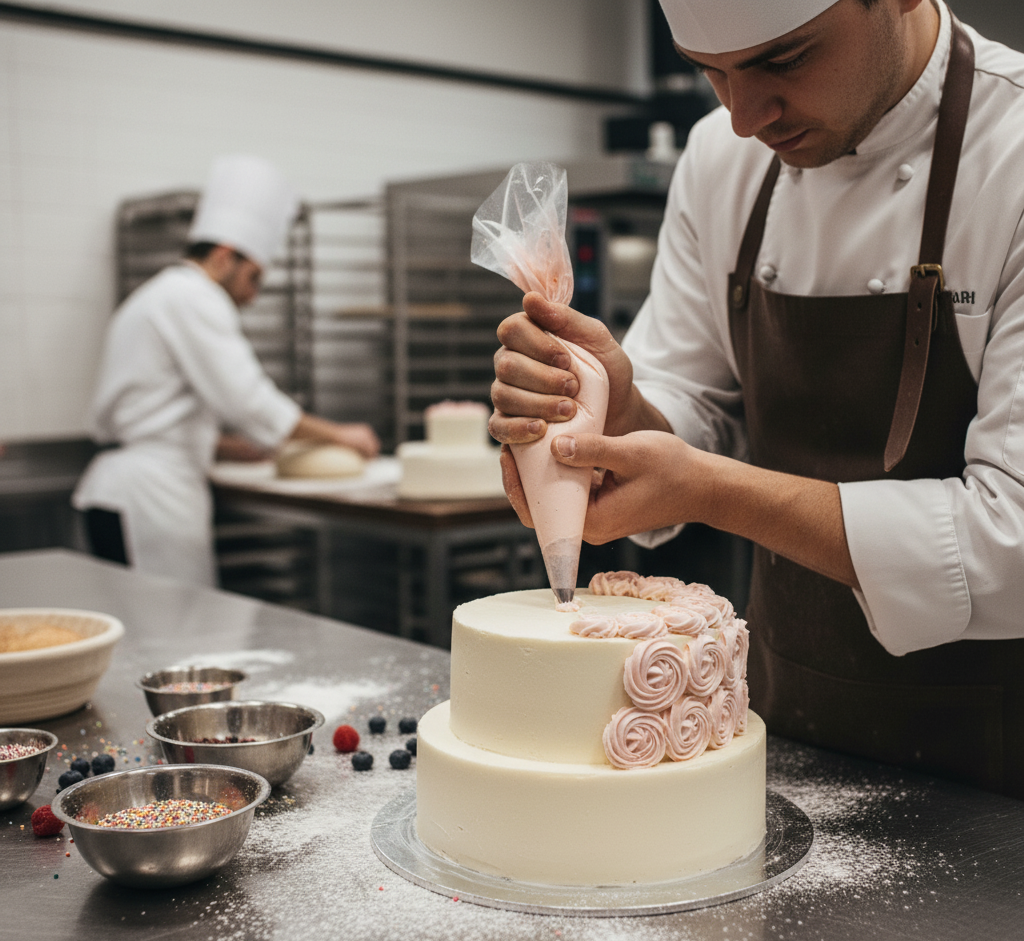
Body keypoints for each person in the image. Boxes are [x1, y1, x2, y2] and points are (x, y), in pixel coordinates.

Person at [490, 0, 1024, 798]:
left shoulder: (1011, 153)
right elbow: (690, 396)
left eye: (785, 60)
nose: (743, 118)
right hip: (783, 732)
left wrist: (709, 487)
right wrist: (618, 417)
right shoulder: (719, 159)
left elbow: (1011, 541)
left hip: (1001, 766)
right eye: (712, 73)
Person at [73, 155, 380, 587]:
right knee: (169, 641)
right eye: (253, 277)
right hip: (151, 501)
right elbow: (251, 402)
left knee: (154, 635)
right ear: (223, 257)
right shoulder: (194, 298)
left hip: (120, 495)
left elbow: (154, 410)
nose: (253, 295)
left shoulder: (156, 296)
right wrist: (340, 435)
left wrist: (221, 446)